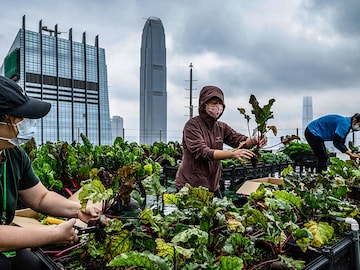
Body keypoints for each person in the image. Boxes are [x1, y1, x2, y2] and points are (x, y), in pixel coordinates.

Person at [0, 75, 100, 270]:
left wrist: (78, 209)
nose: (24, 122)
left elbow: (41, 198)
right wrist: (53, 233)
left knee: (33, 265)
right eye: (18, 116)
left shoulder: (14, 155)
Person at [175, 85, 267, 197]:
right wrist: (232, 154)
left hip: (212, 185)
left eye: (220, 104)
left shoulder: (221, 127)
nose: (217, 107)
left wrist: (254, 141)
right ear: (204, 104)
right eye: (213, 103)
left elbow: (238, 139)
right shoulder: (192, 126)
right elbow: (202, 152)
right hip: (191, 186)